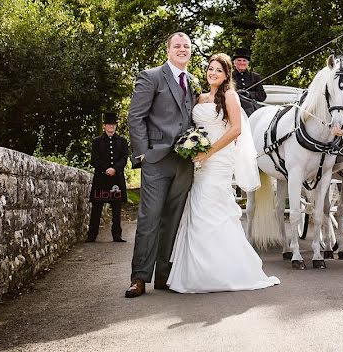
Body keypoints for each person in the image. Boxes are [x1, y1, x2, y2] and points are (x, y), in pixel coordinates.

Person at [168, 53, 279, 293]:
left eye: (218, 70)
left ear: (226, 74)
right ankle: (198, 272)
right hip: (199, 161)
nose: (213, 73)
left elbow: (236, 130)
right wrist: (192, 146)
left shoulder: (230, 95)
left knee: (213, 208)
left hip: (218, 159)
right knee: (197, 208)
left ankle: (226, 270)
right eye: (210, 69)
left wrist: (209, 152)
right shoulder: (199, 97)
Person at [125, 32, 197, 298]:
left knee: (173, 220)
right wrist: (143, 154)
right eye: (177, 46)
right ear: (168, 50)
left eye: (186, 46)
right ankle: (139, 277)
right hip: (156, 160)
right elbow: (136, 116)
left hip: (184, 163)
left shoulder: (193, 81)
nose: (182, 49)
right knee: (150, 219)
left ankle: (164, 276)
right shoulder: (151, 76)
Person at [87, 112, 129, 243]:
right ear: (104, 126)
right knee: (97, 207)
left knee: (116, 207)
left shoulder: (122, 141)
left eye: (113, 124)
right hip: (101, 179)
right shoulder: (97, 141)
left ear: (115, 126)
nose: (111, 127)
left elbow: (124, 158)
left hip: (116, 179)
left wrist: (115, 169)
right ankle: (92, 235)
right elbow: (94, 160)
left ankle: (117, 235)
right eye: (108, 124)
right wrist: (106, 169)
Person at [231, 48, 267, 116]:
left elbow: (262, 96)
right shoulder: (229, 77)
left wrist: (249, 94)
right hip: (235, 107)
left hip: (253, 109)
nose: (242, 63)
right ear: (234, 63)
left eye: (244, 61)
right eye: (239, 60)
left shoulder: (255, 76)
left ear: (248, 63)